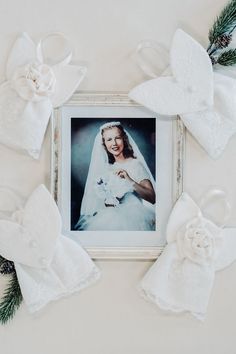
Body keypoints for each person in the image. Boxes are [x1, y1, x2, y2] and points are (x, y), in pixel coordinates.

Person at [75, 121, 156, 231]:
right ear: (104, 143)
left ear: (124, 139)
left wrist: (129, 180)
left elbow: (152, 197)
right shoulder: (106, 169)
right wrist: (109, 200)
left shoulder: (135, 164)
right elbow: (100, 202)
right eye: (109, 139)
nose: (114, 143)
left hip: (134, 217)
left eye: (117, 138)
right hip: (109, 217)